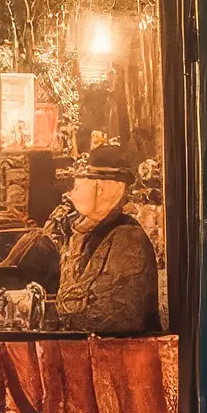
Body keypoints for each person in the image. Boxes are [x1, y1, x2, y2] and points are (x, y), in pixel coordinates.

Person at [52, 137, 160, 336]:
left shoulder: (128, 238)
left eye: (79, 185)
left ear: (102, 188)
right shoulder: (86, 232)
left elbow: (118, 316)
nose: (71, 193)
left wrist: (61, 317)